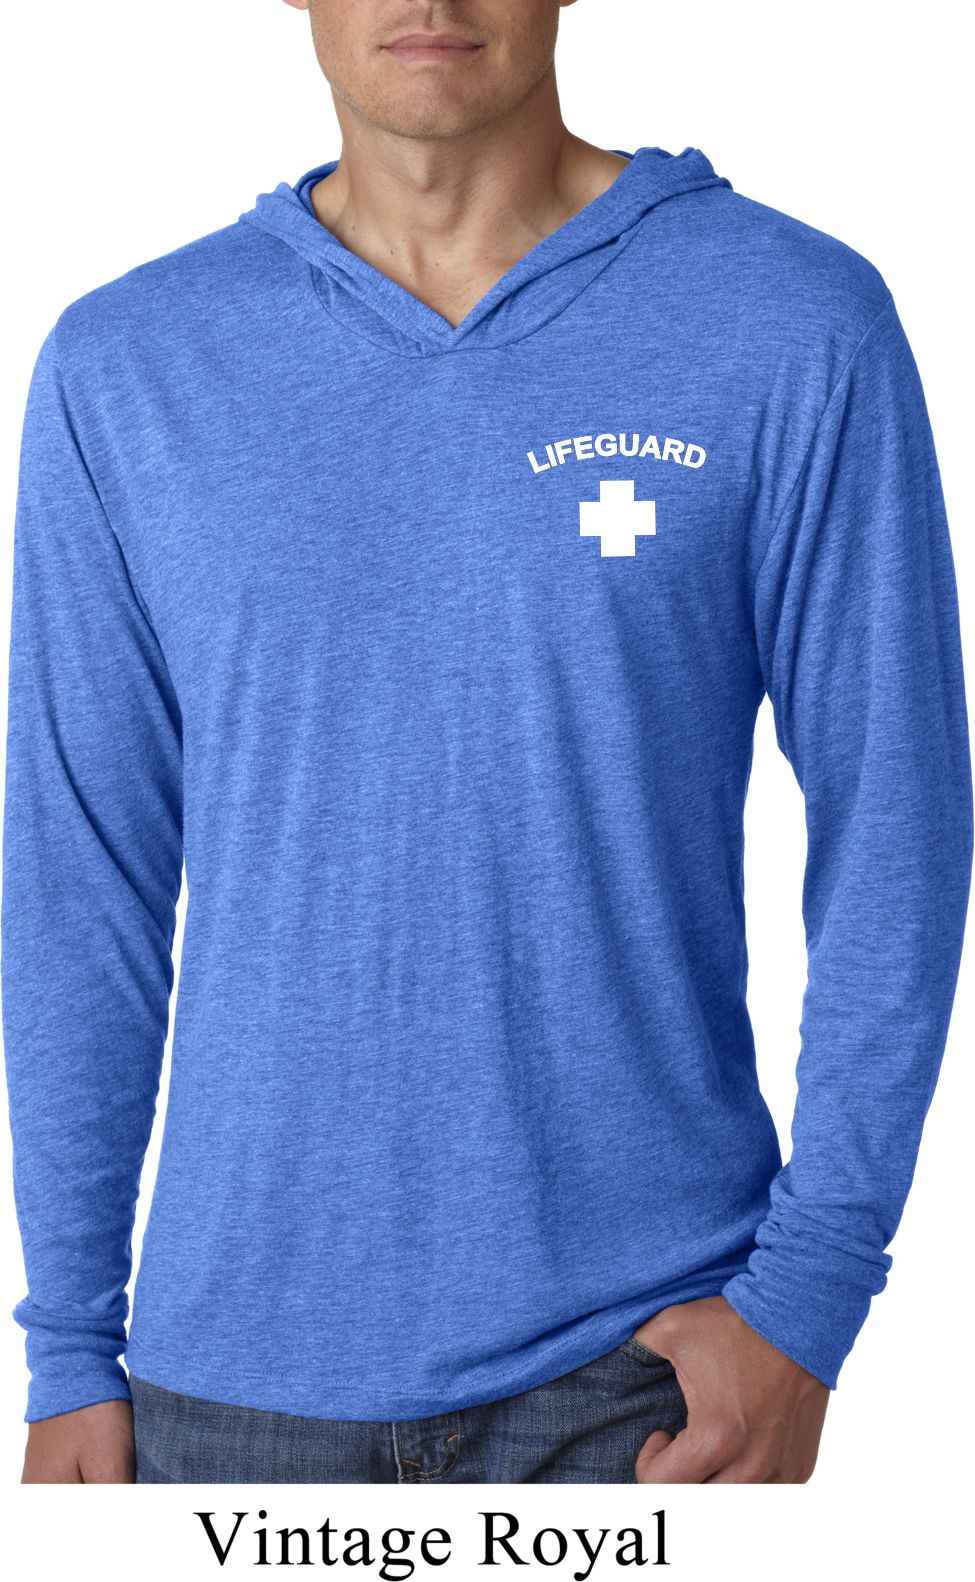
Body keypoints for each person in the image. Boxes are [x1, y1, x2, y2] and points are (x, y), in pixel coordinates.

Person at [3, 0, 971, 1487]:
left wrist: (811, 1300)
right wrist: (70, 1344)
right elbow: (81, 882)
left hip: (647, 1376)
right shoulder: (128, 366)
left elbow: (895, 816)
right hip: (227, 1391)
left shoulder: (790, 319)